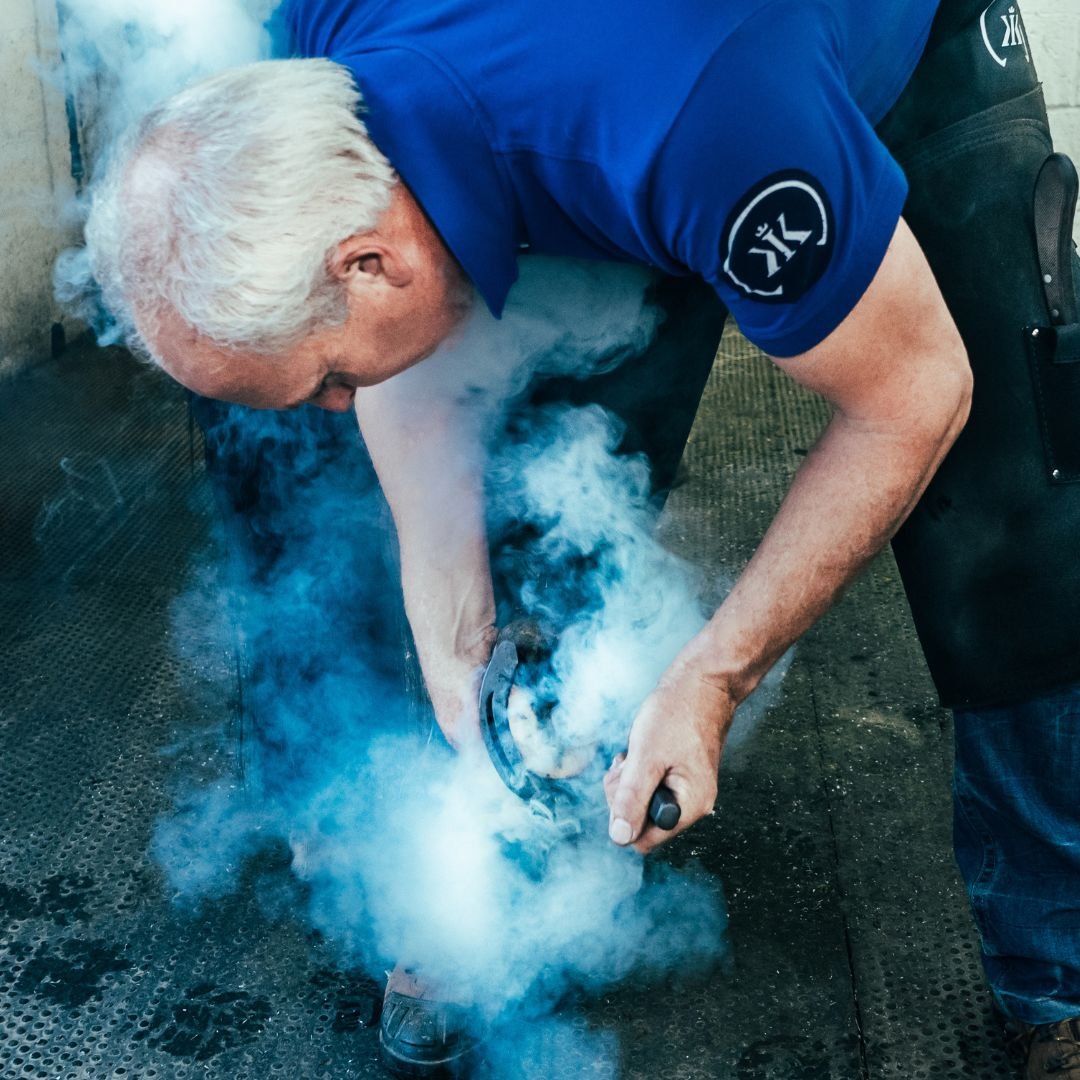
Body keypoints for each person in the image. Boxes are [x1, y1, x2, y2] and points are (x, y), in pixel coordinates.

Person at [79, 0, 1080, 1076]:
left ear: (370, 261)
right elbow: (413, 393)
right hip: (612, 91)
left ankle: (1055, 971)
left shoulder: (702, 122)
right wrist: (458, 635)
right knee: (553, 502)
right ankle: (483, 892)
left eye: (326, 382)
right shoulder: (307, 63)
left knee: (1017, 533)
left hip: (850, 54)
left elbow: (915, 394)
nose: (336, 405)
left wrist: (713, 680)